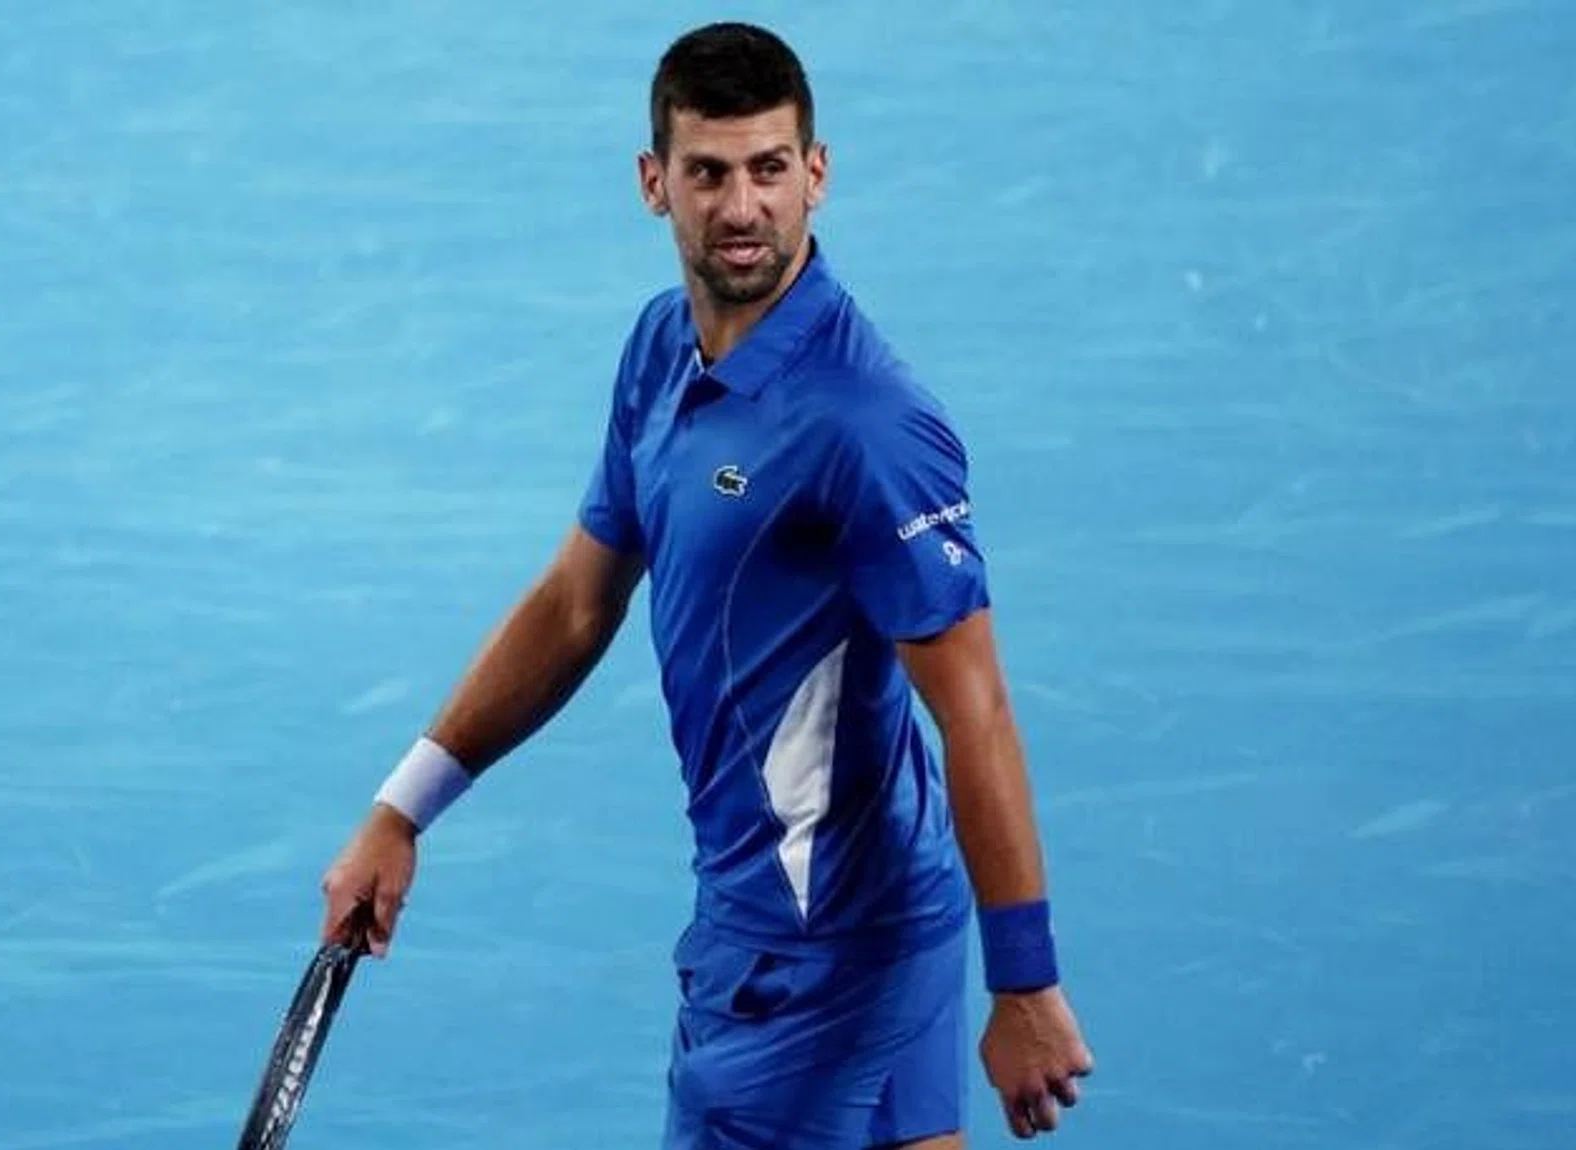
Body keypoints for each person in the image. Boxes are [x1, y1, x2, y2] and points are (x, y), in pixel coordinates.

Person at [318, 21, 1093, 1148]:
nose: (743, 208)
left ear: (816, 175)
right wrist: (405, 806)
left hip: (812, 953)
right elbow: (577, 600)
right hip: (836, 909)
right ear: (654, 184)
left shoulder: (868, 425)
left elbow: (971, 704)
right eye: (710, 173)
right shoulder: (658, 351)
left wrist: (1025, 983)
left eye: (771, 169)